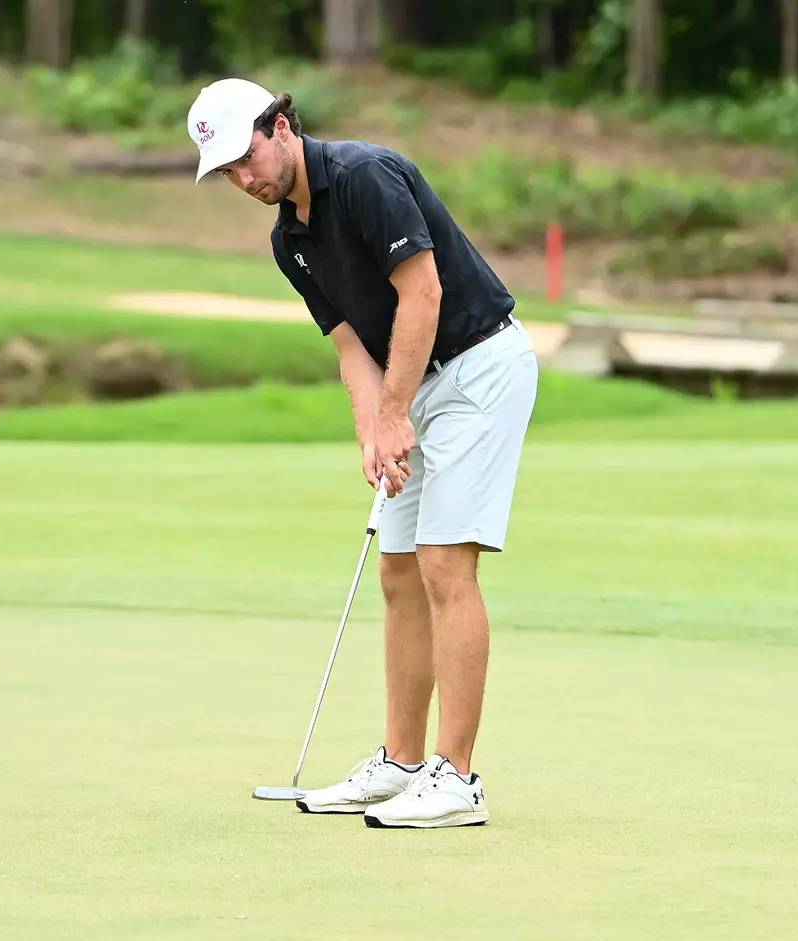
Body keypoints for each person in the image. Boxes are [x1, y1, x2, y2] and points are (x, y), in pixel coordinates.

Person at [186, 77, 538, 829]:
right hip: (411, 387)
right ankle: (403, 764)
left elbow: (424, 295)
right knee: (398, 571)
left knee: (447, 562)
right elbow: (351, 345)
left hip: (478, 367)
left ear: (281, 125)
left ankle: (457, 780)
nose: (245, 180)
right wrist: (373, 430)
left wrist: (395, 409)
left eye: (247, 157)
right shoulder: (290, 241)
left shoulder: (366, 176)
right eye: (229, 175)